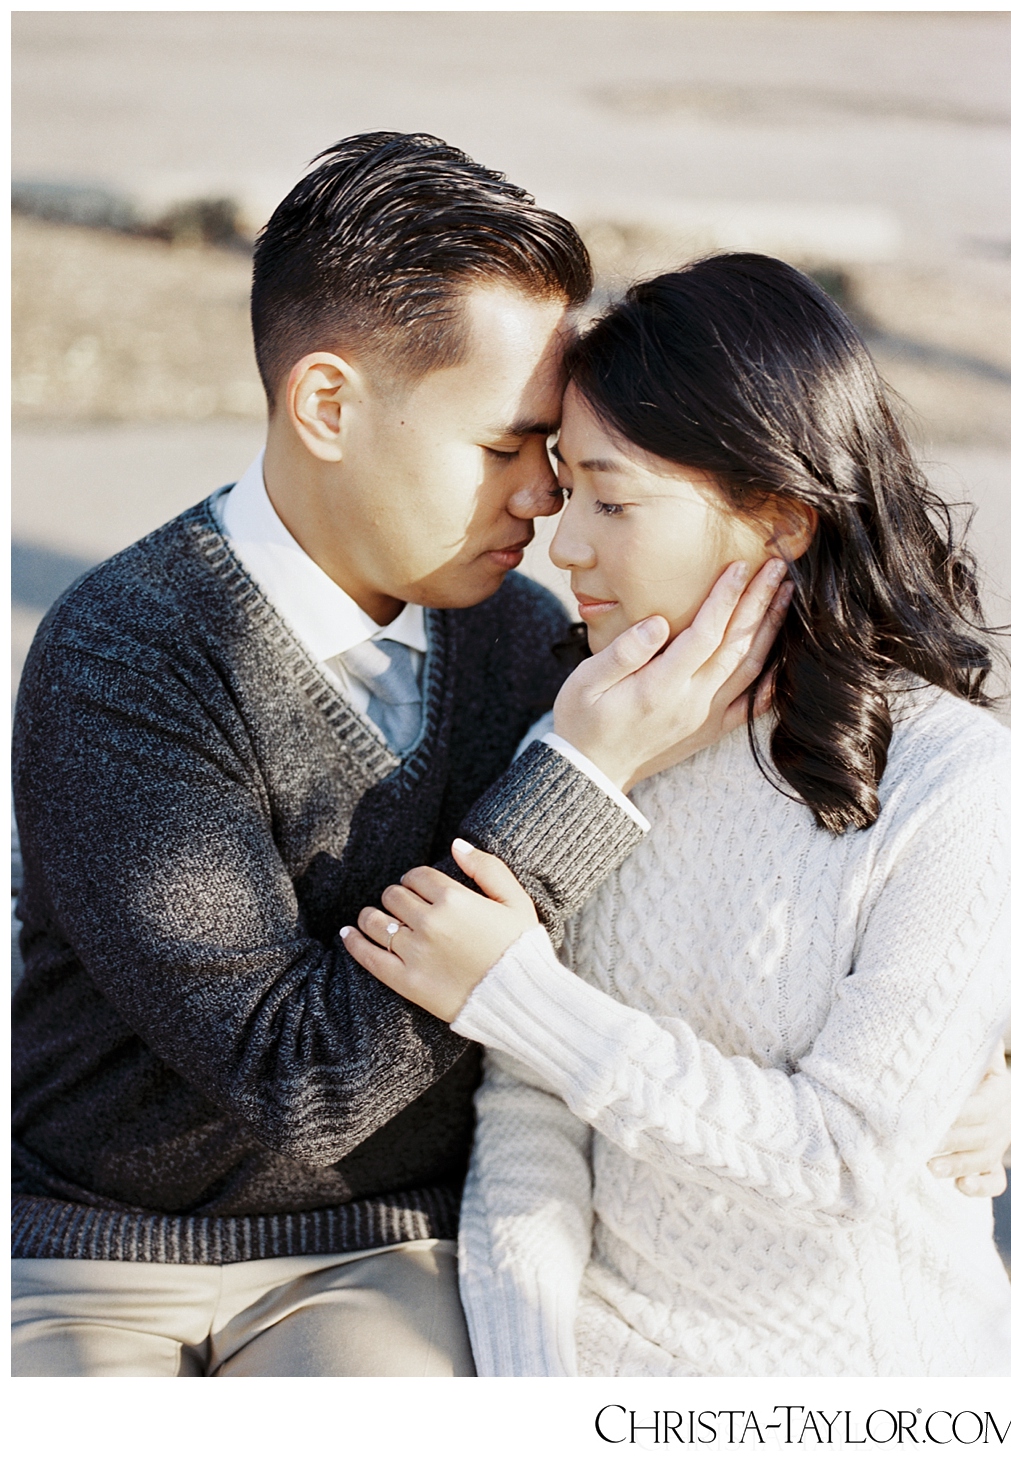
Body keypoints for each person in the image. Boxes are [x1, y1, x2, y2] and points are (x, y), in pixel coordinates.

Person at [11, 135, 792, 1378]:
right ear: (328, 404)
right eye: (501, 447)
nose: (543, 497)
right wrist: (576, 782)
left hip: (385, 1255)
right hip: (90, 1255)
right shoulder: (126, 655)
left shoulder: (519, 635)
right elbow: (299, 1077)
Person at [347, 253, 1011, 1376]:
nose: (566, 546)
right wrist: (532, 1385)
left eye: (614, 501)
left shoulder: (952, 782)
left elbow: (844, 1157)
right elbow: (530, 1125)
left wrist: (520, 992)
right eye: (569, 492)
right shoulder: (587, 742)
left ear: (782, 517)